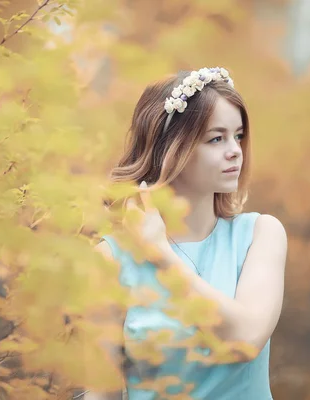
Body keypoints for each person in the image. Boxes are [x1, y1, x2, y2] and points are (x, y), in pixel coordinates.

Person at [85, 67, 287, 400]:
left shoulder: (259, 235)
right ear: (171, 150)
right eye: (216, 138)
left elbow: (246, 338)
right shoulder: (111, 260)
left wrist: (161, 255)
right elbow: (100, 394)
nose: (235, 150)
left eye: (238, 135)